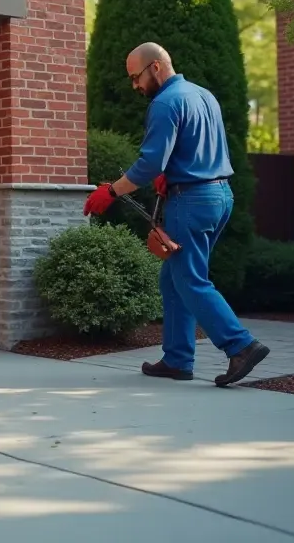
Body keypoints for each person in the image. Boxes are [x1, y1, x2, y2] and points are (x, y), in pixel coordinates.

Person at [81, 42, 269, 387]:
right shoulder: (203, 95)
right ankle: (178, 359)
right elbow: (196, 147)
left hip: (192, 201)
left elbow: (149, 163)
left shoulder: (165, 102)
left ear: (155, 67)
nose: (134, 86)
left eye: (135, 77)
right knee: (173, 279)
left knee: (189, 279)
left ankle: (240, 346)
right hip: (219, 195)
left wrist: (110, 191)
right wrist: (172, 171)